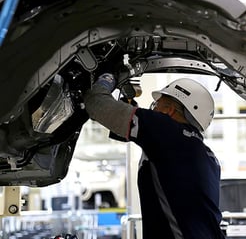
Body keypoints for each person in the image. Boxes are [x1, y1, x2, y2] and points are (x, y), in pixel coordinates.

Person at [83, 73, 226, 239]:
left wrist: (107, 77)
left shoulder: (165, 130)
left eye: (157, 105)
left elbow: (97, 103)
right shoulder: (206, 154)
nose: (153, 110)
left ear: (169, 111)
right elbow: (126, 129)